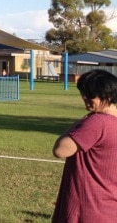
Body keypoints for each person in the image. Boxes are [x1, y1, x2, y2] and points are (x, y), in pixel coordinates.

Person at [52, 69, 117, 222]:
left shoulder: (97, 122)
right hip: (110, 208)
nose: (84, 98)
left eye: (90, 95)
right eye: (83, 93)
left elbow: (60, 150)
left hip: (88, 209)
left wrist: (82, 121)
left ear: (107, 96)